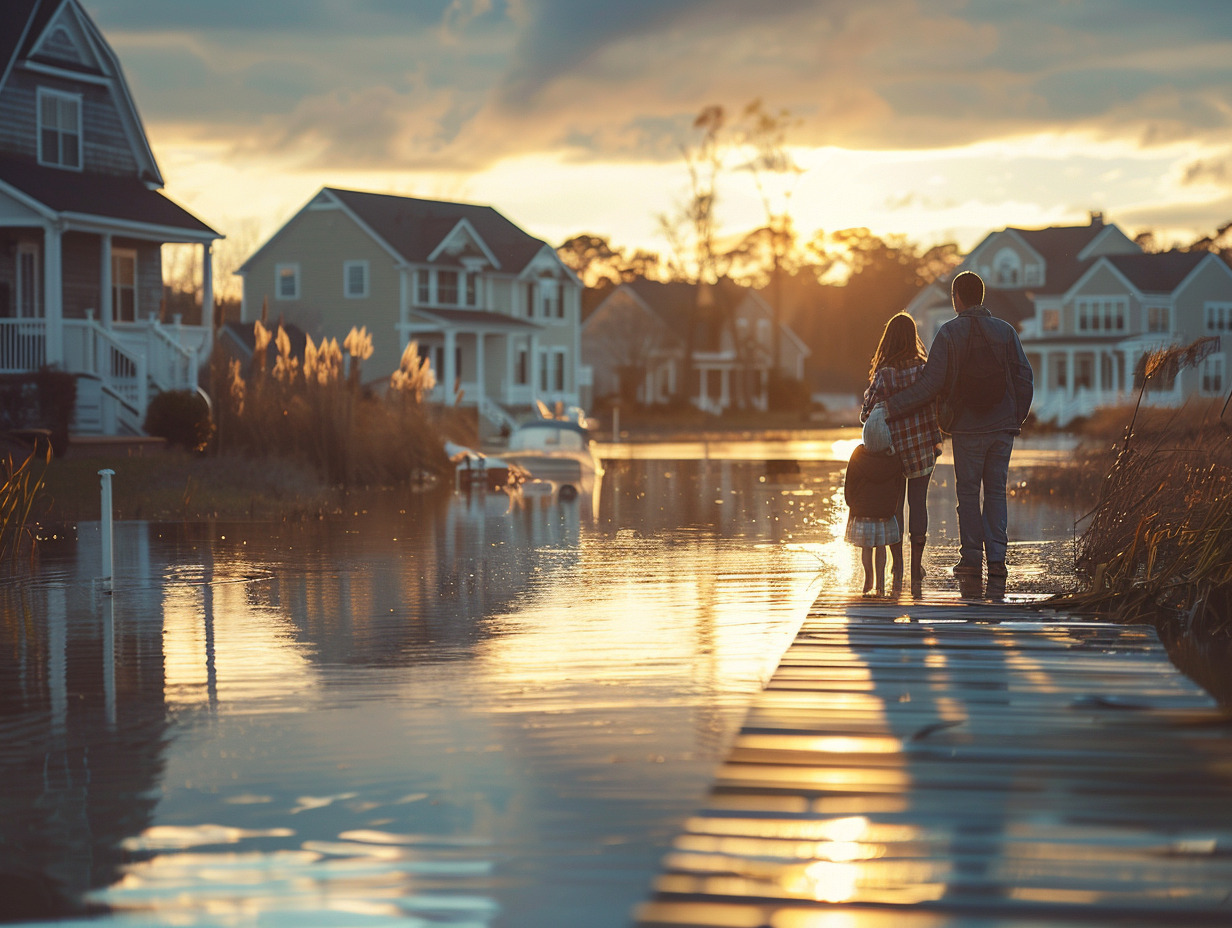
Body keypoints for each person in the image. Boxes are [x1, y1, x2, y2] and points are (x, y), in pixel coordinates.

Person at [884, 271, 1033, 597]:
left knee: (968, 493)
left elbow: (930, 384)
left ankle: (970, 559)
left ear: (957, 299)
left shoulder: (949, 332)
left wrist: (891, 406)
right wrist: (1015, 418)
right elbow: (1025, 376)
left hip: (967, 427)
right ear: (981, 296)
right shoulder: (1006, 331)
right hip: (1002, 428)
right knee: (995, 491)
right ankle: (997, 561)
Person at [860, 313, 942, 597]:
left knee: (894, 508)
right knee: (918, 504)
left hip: (892, 453)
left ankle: (898, 566)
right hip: (923, 447)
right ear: (913, 338)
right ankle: (917, 566)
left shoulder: (884, 374)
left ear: (888, 340)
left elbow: (866, 413)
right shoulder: (924, 370)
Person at [843, 410, 905, 596]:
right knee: (881, 547)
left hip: (862, 512)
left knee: (866, 548)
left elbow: (849, 484)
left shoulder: (857, 455)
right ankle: (880, 583)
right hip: (885, 514)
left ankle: (867, 578)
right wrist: (892, 508)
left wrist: (851, 505)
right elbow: (898, 486)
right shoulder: (894, 458)